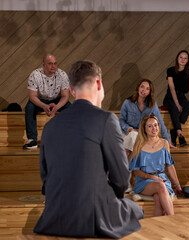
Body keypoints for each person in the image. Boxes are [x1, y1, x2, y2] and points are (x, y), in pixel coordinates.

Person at [34, 60, 143, 238]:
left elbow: (45, 178)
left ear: (71, 90)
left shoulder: (49, 127)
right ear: (99, 83)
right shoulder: (107, 119)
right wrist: (110, 196)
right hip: (92, 216)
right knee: (136, 210)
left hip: (54, 216)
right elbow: (122, 178)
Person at [129, 114, 182, 216]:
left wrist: (178, 185)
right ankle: (174, 220)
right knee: (160, 187)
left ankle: (158, 229)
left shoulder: (164, 143)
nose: (154, 128)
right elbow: (136, 171)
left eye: (156, 125)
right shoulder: (139, 145)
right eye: (150, 126)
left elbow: (170, 166)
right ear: (144, 129)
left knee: (158, 200)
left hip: (162, 179)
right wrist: (152, 177)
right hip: (144, 181)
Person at [23, 53, 71, 149]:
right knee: (29, 107)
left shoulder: (62, 75)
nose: (53, 66)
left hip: (57, 99)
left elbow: (65, 96)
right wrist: (44, 106)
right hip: (40, 100)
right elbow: (32, 96)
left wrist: (57, 106)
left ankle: (68, 138)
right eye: (50, 64)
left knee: (70, 109)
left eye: (55, 63)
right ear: (44, 65)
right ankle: (32, 140)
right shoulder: (35, 75)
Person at [119, 79, 174, 157]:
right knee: (130, 136)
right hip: (127, 132)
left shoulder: (152, 105)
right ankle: (128, 165)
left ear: (150, 92)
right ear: (138, 88)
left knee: (134, 136)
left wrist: (167, 141)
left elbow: (160, 122)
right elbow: (121, 120)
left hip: (142, 134)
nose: (144, 90)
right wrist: (129, 128)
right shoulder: (128, 102)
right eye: (142, 87)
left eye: (147, 89)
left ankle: (124, 164)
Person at [163, 50, 189, 147]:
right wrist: (177, 104)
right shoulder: (170, 70)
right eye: (181, 57)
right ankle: (180, 135)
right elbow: (172, 88)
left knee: (188, 105)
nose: (183, 60)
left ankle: (174, 131)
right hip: (170, 96)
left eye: (185, 58)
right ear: (177, 59)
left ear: (188, 60)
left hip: (182, 96)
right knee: (174, 108)